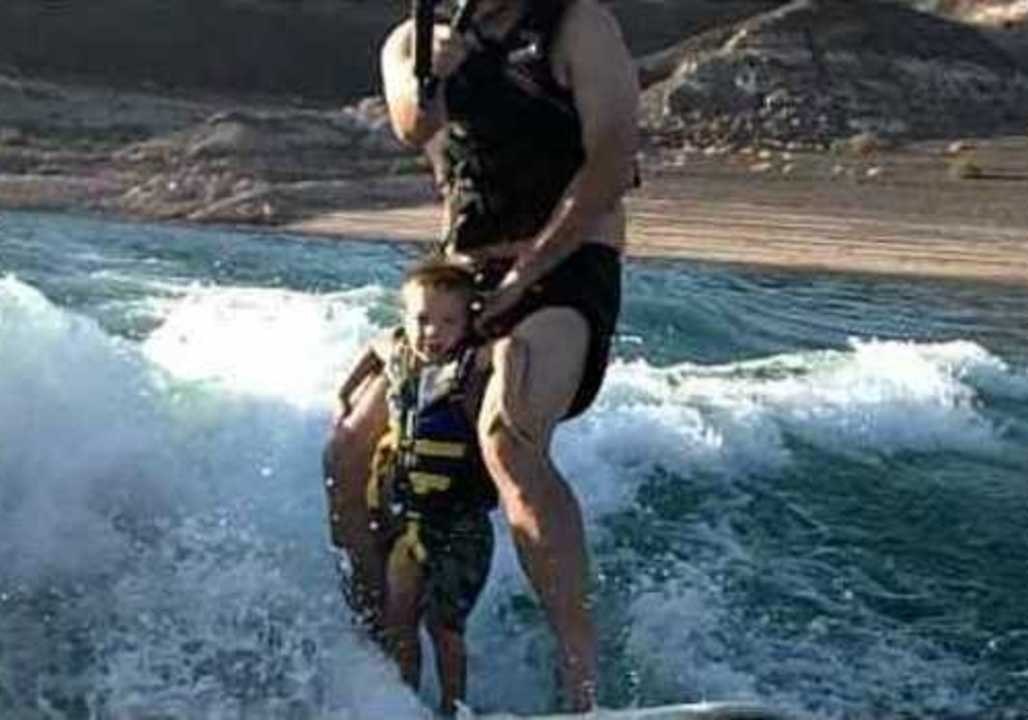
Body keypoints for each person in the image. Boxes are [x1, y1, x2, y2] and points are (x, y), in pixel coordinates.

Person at [324, 0, 639, 710]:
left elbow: (613, 162)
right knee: (347, 452)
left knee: (508, 438)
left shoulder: (579, 25)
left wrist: (526, 274)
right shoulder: (413, 39)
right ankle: (385, 661)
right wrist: (435, 63)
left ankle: (581, 687)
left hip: (567, 264)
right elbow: (414, 123)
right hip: (461, 275)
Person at [327, 260, 496, 716]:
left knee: (445, 628)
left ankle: (453, 708)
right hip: (409, 526)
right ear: (404, 317)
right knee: (399, 623)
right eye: (422, 319)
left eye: (448, 322)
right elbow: (376, 345)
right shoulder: (400, 352)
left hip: (460, 526)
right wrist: (346, 389)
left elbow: (508, 346)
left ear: (467, 323)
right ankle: (405, 705)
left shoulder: (471, 365)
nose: (432, 332)